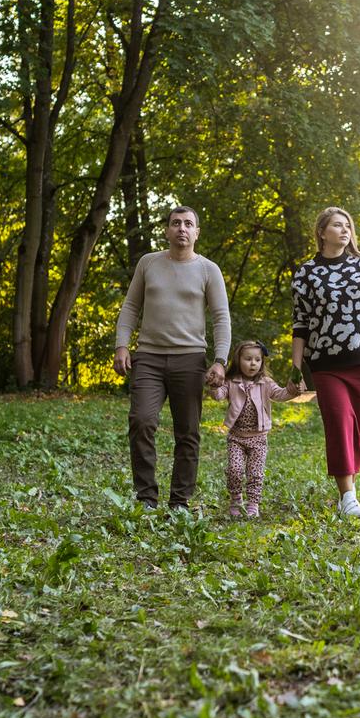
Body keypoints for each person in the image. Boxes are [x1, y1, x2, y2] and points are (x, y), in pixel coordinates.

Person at [114, 206, 230, 510]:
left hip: (190, 360)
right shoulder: (148, 263)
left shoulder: (208, 269)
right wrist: (122, 346)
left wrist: (220, 359)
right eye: (176, 223)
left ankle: (179, 502)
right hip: (148, 358)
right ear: (166, 230)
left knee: (188, 432)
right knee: (141, 420)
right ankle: (147, 499)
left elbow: (221, 317)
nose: (182, 228)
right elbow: (130, 307)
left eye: (188, 224)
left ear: (196, 233)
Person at [290, 206, 360, 517]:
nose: (345, 230)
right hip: (326, 364)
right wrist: (296, 370)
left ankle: (348, 482)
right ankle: (347, 495)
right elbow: (300, 324)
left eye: (347, 225)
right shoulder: (306, 273)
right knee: (338, 425)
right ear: (322, 232)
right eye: (337, 225)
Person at [208, 340, 301, 518]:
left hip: (259, 438)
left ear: (262, 363)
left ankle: (253, 504)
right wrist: (214, 385)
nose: (253, 363)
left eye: (257, 360)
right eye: (248, 359)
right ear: (238, 360)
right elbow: (218, 396)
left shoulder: (265, 383)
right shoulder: (231, 382)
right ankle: (236, 500)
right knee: (234, 470)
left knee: (255, 473)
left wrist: (292, 390)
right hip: (236, 437)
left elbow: (280, 394)